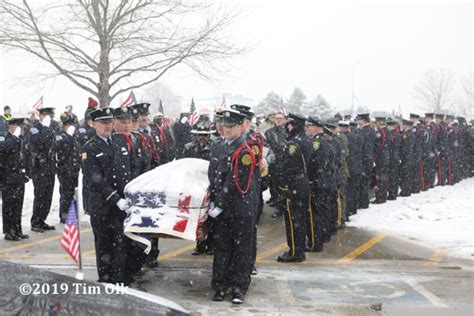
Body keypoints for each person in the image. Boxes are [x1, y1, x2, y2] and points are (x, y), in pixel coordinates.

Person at [208, 109, 256, 304]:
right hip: (222, 208)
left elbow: (234, 181)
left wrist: (219, 204)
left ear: (239, 127)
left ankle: (239, 287)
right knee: (221, 248)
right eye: (224, 126)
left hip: (240, 208)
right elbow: (213, 175)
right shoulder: (217, 146)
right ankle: (219, 286)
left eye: (230, 126)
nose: (226, 130)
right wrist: (212, 199)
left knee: (241, 250)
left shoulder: (244, 150)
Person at [81, 107, 133, 285]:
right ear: (94, 124)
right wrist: (115, 199)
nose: (108, 126)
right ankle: (105, 281)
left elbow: (127, 171)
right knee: (104, 246)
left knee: (121, 244)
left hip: (122, 204)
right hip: (103, 206)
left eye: (110, 122)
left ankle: (120, 280)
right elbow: (95, 180)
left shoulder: (119, 142)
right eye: (103, 123)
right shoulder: (90, 147)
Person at [277, 113, 311, 263]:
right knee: (300, 219)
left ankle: (295, 252)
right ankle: (299, 249)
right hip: (302, 183)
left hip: (294, 185)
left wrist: (283, 184)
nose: (288, 127)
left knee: (293, 220)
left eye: (290, 124)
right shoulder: (305, 140)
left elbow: (288, 166)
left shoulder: (293, 143)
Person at [305, 116, 335, 252]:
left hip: (318, 181)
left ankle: (315, 242)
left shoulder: (317, 143)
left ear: (316, 127)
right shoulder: (326, 141)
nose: (308, 129)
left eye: (309, 126)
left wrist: (311, 179)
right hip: (325, 180)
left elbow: (314, 164)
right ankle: (322, 237)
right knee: (323, 211)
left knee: (315, 213)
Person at [26, 107, 57, 232]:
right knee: (40, 195)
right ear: (41, 115)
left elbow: (53, 144)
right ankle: (35, 221)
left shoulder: (50, 127)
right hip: (39, 166)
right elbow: (40, 141)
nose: (50, 118)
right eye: (48, 115)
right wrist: (44, 128)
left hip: (49, 166)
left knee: (48, 196)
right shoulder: (34, 127)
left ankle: (42, 219)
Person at [0, 117, 30, 241]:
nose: (23, 130)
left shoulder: (20, 140)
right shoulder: (5, 140)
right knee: (9, 206)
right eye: (20, 127)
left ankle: (17, 229)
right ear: (12, 127)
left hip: (18, 177)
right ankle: (9, 231)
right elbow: (4, 151)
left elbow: (25, 156)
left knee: (18, 205)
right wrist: (14, 138)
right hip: (8, 177)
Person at [55, 112, 81, 223]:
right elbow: (62, 148)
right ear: (65, 125)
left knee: (73, 193)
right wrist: (69, 137)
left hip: (74, 169)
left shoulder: (73, 136)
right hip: (64, 170)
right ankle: (64, 216)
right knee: (65, 194)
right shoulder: (60, 136)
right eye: (70, 125)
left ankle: (72, 214)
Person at [264, 111, 288, 218]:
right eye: (277, 118)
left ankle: (283, 207)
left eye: (280, 118)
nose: (278, 120)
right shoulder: (269, 132)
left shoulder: (287, 131)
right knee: (274, 185)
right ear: (273, 119)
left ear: (284, 120)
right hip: (274, 162)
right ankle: (278, 205)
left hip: (285, 162)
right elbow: (266, 146)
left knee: (284, 186)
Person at [356, 113, 375, 209]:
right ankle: (364, 201)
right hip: (369, 158)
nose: (358, 122)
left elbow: (362, 146)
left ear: (363, 121)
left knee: (362, 182)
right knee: (365, 182)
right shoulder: (371, 130)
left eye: (359, 120)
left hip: (363, 159)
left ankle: (362, 203)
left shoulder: (363, 131)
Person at [399, 119, 415, 196]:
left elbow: (406, 146)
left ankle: (406, 191)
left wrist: (403, 154)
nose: (403, 126)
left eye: (404, 124)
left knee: (406, 174)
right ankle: (406, 190)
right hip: (408, 156)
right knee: (406, 174)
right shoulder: (407, 133)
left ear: (407, 125)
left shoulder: (408, 133)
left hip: (406, 156)